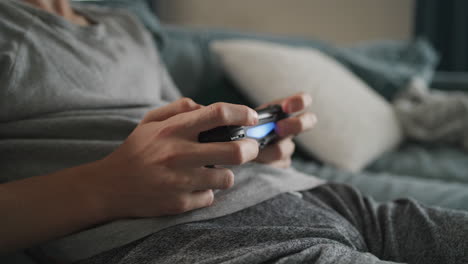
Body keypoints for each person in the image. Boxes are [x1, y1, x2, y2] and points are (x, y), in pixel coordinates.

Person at [0, 1, 467, 263]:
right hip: (189, 239)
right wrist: (107, 187)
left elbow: (173, 120)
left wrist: (247, 146)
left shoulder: (126, 27)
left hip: (318, 197)